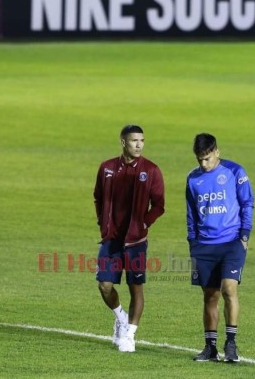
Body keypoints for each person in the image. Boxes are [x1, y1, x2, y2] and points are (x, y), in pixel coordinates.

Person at [93, 124, 165, 352]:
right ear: (123, 142)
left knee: (136, 288)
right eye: (134, 141)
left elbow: (159, 205)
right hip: (111, 240)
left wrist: (144, 223)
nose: (139, 145)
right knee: (104, 286)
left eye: (142, 140)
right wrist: (102, 222)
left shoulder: (151, 170)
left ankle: (130, 335)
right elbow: (97, 196)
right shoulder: (106, 168)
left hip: (135, 242)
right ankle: (121, 318)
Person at [185, 133, 255, 363]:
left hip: (232, 241)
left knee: (229, 289)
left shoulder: (235, 172)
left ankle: (231, 343)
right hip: (204, 245)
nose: (204, 164)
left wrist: (244, 235)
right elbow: (191, 214)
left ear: (217, 152)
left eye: (207, 158)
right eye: (199, 160)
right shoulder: (193, 179)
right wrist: (192, 242)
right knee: (210, 296)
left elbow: (247, 202)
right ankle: (210, 348)